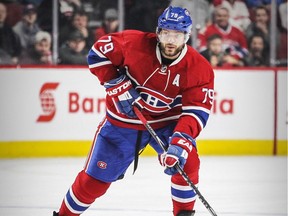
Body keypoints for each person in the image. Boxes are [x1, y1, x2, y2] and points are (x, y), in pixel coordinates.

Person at [53, 6, 214, 216]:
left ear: (187, 36)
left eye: (177, 35)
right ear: (158, 32)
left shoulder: (199, 68)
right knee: (94, 182)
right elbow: (97, 53)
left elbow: (196, 112)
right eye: (166, 33)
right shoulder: (133, 43)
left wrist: (180, 142)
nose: (171, 41)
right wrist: (116, 83)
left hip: (167, 124)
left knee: (187, 163)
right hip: (122, 123)